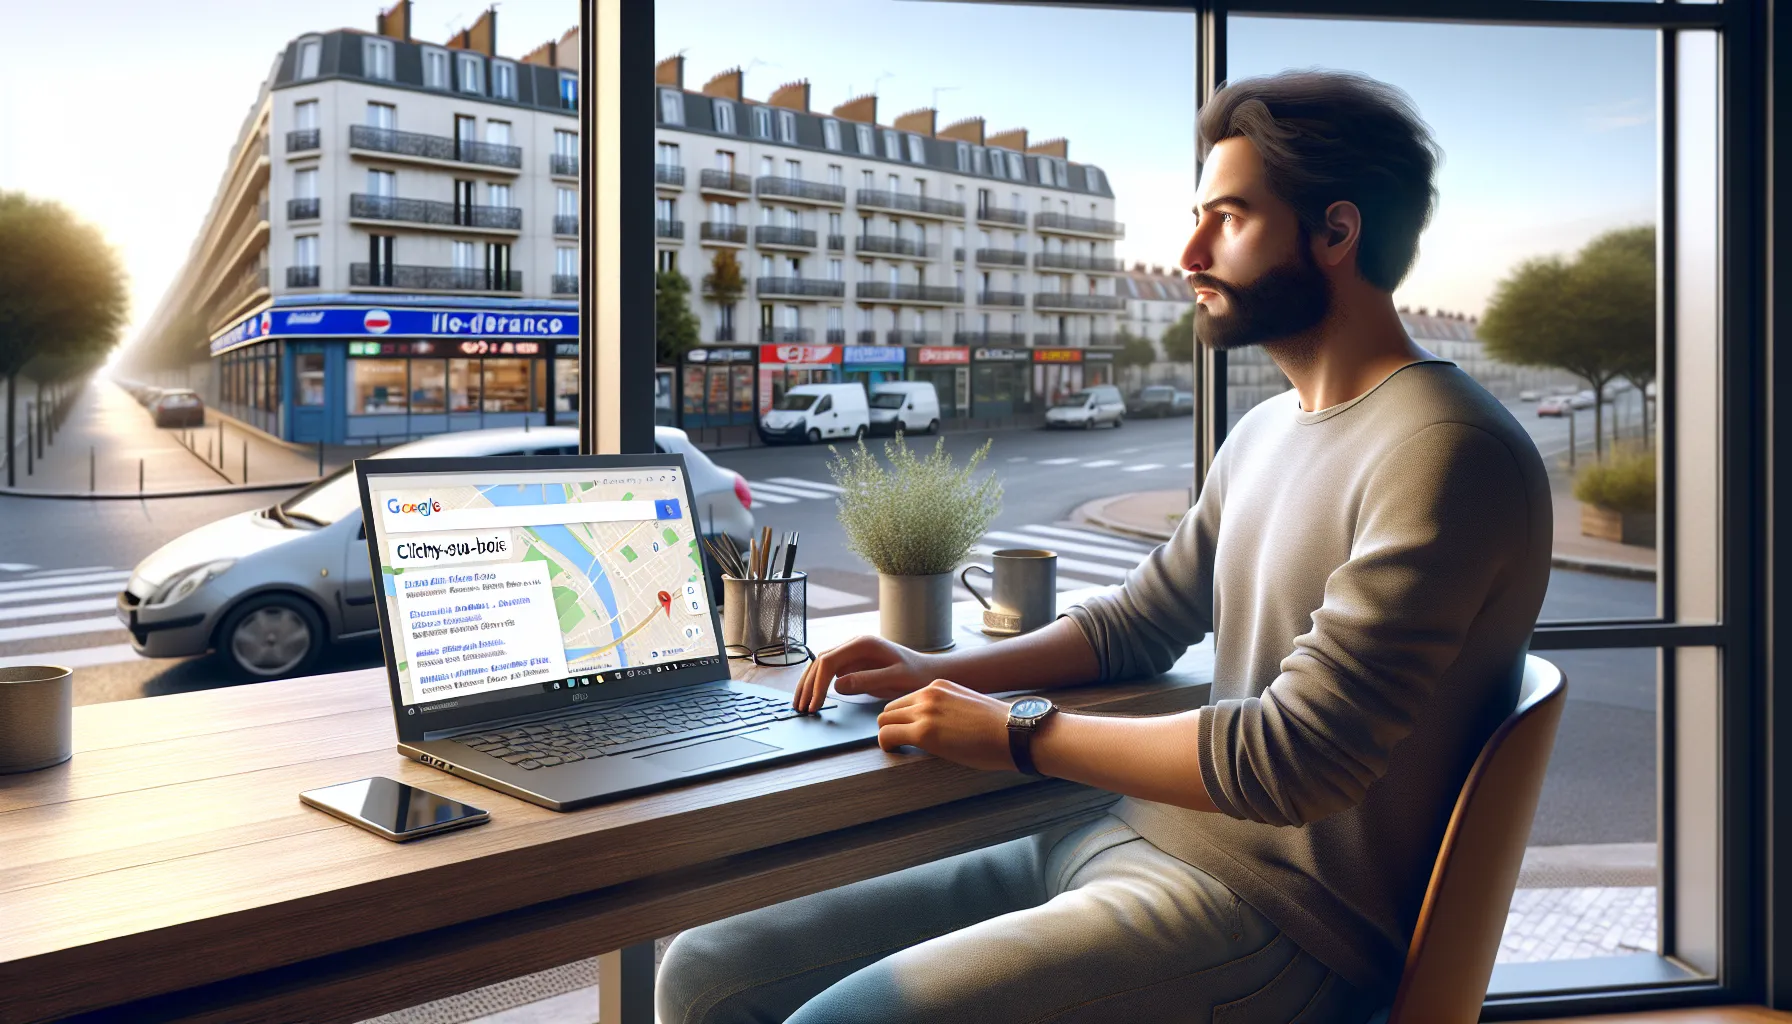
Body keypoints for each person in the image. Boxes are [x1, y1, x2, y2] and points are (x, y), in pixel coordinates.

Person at [658, 69, 1553, 1024]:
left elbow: (1294, 761)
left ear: (1336, 232)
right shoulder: (1263, 433)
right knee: (705, 972)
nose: (1191, 250)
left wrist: (1014, 733)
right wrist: (940, 665)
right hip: (1126, 838)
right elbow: (1137, 623)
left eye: (1231, 218)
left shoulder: (1448, 452)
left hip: (1284, 925)